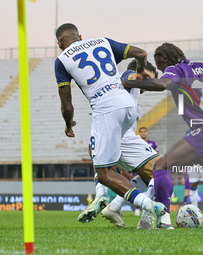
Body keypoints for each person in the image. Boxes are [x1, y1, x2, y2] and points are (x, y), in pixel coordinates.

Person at [54, 23, 165, 229]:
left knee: (104, 173)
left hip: (105, 109)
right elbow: (141, 53)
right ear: (80, 36)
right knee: (104, 152)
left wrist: (68, 124)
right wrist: (141, 75)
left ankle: (147, 206)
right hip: (128, 107)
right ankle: (109, 201)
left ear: (59, 43)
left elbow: (67, 104)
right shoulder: (102, 41)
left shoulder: (61, 60)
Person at [122, 42, 203, 217]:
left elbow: (164, 84)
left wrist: (127, 83)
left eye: (160, 66)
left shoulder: (175, 70)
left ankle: (161, 218)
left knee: (161, 165)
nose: (163, 70)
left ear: (164, 60)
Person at [99, 60, 173, 229]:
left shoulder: (131, 91)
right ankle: (152, 219)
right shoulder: (128, 78)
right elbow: (127, 77)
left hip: (115, 138)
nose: (147, 82)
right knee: (162, 170)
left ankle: (115, 207)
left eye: (151, 79)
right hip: (122, 138)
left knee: (149, 179)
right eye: (146, 77)